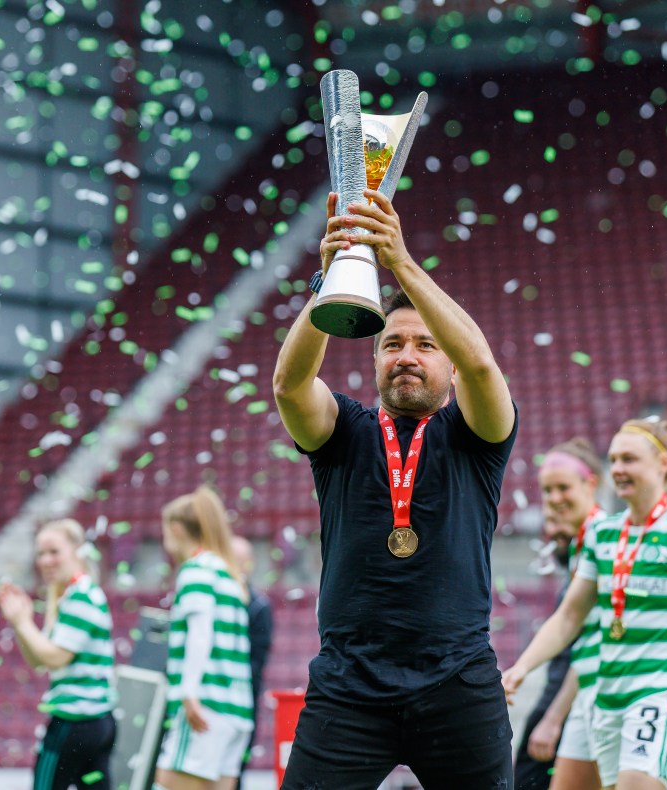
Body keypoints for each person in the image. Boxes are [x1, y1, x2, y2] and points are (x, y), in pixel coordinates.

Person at [272, 188, 518, 788]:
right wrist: (332, 282)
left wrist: (399, 259)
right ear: (374, 360)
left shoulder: (476, 433)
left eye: (425, 345)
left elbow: (484, 367)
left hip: (457, 682)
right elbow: (288, 383)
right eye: (392, 344)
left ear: (449, 367)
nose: (407, 355)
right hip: (348, 688)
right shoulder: (344, 432)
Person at [503, 417, 667, 790]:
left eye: (629, 459)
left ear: (663, 464)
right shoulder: (602, 534)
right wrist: (522, 667)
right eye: (614, 460)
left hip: (661, 693)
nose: (619, 469)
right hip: (606, 700)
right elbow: (570, 616)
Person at [0, 519, 116, 790]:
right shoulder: (73, 595)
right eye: (40, 553)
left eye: (53, 552)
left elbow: (54, 657)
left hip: (75, 720)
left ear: (78, 551)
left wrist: (22, 622)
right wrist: (21, 622)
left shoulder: (81, 596)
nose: (45, 561)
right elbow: (38, 660)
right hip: (96, 720)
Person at [517, 438, 605, 790]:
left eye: (563, 488)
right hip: (567, 694)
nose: (553, 499)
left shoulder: (605, 542)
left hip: (578, 698)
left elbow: (592, 640)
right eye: (547, 490)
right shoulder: (579, 545)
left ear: (591, 485)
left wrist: (554, 717)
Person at [156, 487, 254, 790]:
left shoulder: (195, 570)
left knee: (167, 783)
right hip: (236, 711)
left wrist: (188, 694)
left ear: (174, 528)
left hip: (205, 707)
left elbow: (201, 635)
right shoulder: (228, 573)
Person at [231, 535, 273, 782]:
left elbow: (258, 661)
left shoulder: (259, 606)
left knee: (235, 772)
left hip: (243, 701)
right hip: (212, 701)